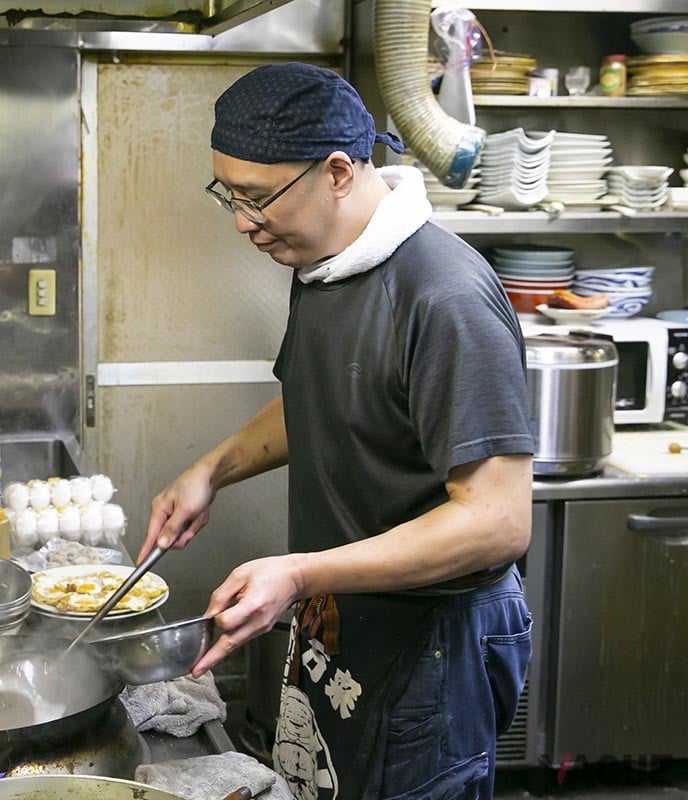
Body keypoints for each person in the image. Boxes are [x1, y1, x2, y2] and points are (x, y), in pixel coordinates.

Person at [139, 63, 535, 799]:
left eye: (258, 199)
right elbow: (328, 397)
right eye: (229, 194)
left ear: (340, 172)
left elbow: (498, 521)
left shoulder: (444, 298)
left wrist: (297, 572)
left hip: (432, 642)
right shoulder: (324, 260)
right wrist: (213, 468)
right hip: (346, 619)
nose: (241, 222)